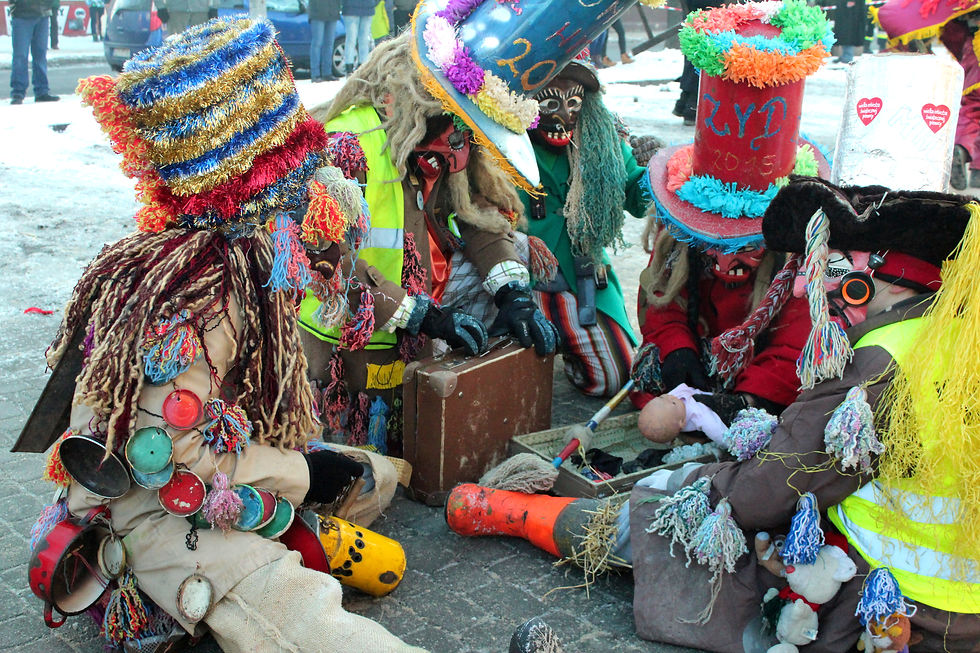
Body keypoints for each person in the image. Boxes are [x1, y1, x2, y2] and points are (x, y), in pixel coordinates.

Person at [25, 18, 424, 652]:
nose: (322, 200)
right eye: (301, 184)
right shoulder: (201, 294)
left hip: (231, 468)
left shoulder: (256, 249)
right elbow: (167, 454)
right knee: (302, 620)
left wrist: (315, 461)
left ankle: (295, 522)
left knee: (375, 477)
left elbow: (338, 275)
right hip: (156, 505)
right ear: (268, 197)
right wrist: (298, 473)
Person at [448, 177, 980, 652]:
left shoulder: (877, 364)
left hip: (896, 602)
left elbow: (767, 489)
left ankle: (512, 513)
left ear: (870, 281)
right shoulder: (952, 337)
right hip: (963, 608)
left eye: (827, 267)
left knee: (682, 519)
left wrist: (701, 484)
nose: (803, 286)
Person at [633, 0, 833, 419]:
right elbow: (661, 302)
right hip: (696, 370)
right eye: (713, 240)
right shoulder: (677, 242)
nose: (726, 258)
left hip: (769, 389)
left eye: (745, 244)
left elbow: (797, 344)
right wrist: (677, 353)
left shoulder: (803, 266)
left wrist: (745, 401)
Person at [518, 59, 651, 398]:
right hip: (518, 275)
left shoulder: (602, 140)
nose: (563, 114)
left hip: (583, 276)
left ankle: (571, 345)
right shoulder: (499, 141)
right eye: (550, 103)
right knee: (507, 378)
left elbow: (637, 196)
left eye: (573, 102)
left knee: (614, 377)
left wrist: (656, 169)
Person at [875, 0, 980, 189]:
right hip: (973, 40)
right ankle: (969, 158)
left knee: (973, 105)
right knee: (975, 106)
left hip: (971, 42)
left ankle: (969, 159)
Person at [673, 0, 722, 125]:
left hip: (697, 10)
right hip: (709, 10)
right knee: (702, 54)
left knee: (694, 52)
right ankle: (691, 106)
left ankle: (684, 103)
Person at [9, 0, 59, 104]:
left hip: (43, 14)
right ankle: (18, 92)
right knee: (20, 55)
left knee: (40, 55)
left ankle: (42, 91)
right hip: (21, 15)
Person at [309, 0, 341, 82]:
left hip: (332, 13)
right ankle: (315, 74)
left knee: (329, 44)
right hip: (317, 13)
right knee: (317, 44)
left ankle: (327, 73)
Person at [341, 0, 375, 75]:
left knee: (352, 40)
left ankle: (350, 68)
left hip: (352, 8)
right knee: (362, 40)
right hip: (366, 8)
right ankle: (362, 67)